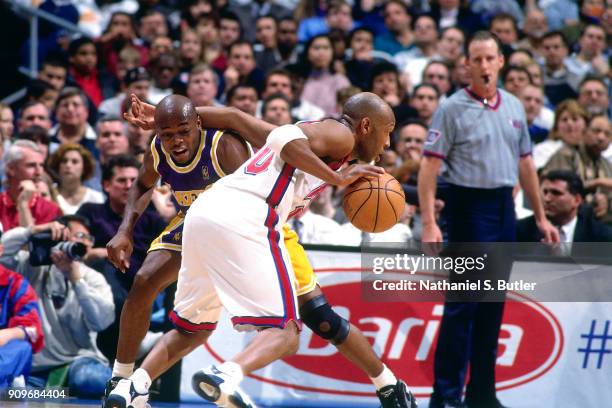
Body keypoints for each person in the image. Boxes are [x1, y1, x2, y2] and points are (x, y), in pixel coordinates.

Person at [105, 94, 417, 408]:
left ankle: (133, 388)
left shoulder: (326, 140)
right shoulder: (341, 134)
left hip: (204, 214)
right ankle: (226, 374)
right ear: (366, 125)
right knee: (285, 332)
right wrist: (336, 179)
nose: (388, 143)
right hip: (250, 216)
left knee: (192, 329)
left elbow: (235, 117)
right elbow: (283, 136)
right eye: (387, 132)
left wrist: (167, 116)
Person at [418, 31, 558, 408]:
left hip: (503, 210)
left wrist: (541, 217)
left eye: (489, 59)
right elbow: (429, 168)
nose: (482, 66)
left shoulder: (513, 106)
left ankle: (482, 393)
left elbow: (526, 165)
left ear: (500, 62)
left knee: (493, 305)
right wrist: (429, 221)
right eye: (475, 59)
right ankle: (445, 396)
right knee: (463, 304)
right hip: (467, 210)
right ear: (466, 64)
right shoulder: (450, 109)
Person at [0, 215, 113, 397]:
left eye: (87, 238)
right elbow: (3, 250)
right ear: (57, 237)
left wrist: (76, 280)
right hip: (36, 368)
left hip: (78, 362)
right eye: (76, 235)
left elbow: (102, 322)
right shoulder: (30, 265)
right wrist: (34, 230)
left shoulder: (92, 278)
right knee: (12, 393)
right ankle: (60, 393)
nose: (82, 242)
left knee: (88, 380)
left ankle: (128, 383)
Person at [543, 114, 612, 224]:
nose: (601, 137)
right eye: (596, 131)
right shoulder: (566, 154)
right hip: (563, 219)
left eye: (607, 134)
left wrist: (606, 202)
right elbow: (557, 192)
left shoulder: (607, 165)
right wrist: (595, 183)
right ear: (584, 132)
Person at [517, 170, 612, 242]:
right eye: (545, 192)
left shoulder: (600, 236)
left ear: (576, 200)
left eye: (556, 193)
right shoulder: (521, 230)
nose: (547, 199)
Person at [0, 141, 62, 231]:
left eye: (41, 165)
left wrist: (23, 204)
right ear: (11, 169)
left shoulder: (50, 209)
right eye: (31, 165)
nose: (39, 172)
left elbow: (29, 244)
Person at [0, 258, 44, 388]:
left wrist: (7, 334)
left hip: (4, 351)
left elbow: (33, 330)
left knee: (22, 348)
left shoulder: (16, 283)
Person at [46, 144, 105, 214]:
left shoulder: (96, 197)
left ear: (84, 168)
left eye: (74, 162)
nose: (68, 165)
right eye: (64, 161)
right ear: (58, 166)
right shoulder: (48, 193)